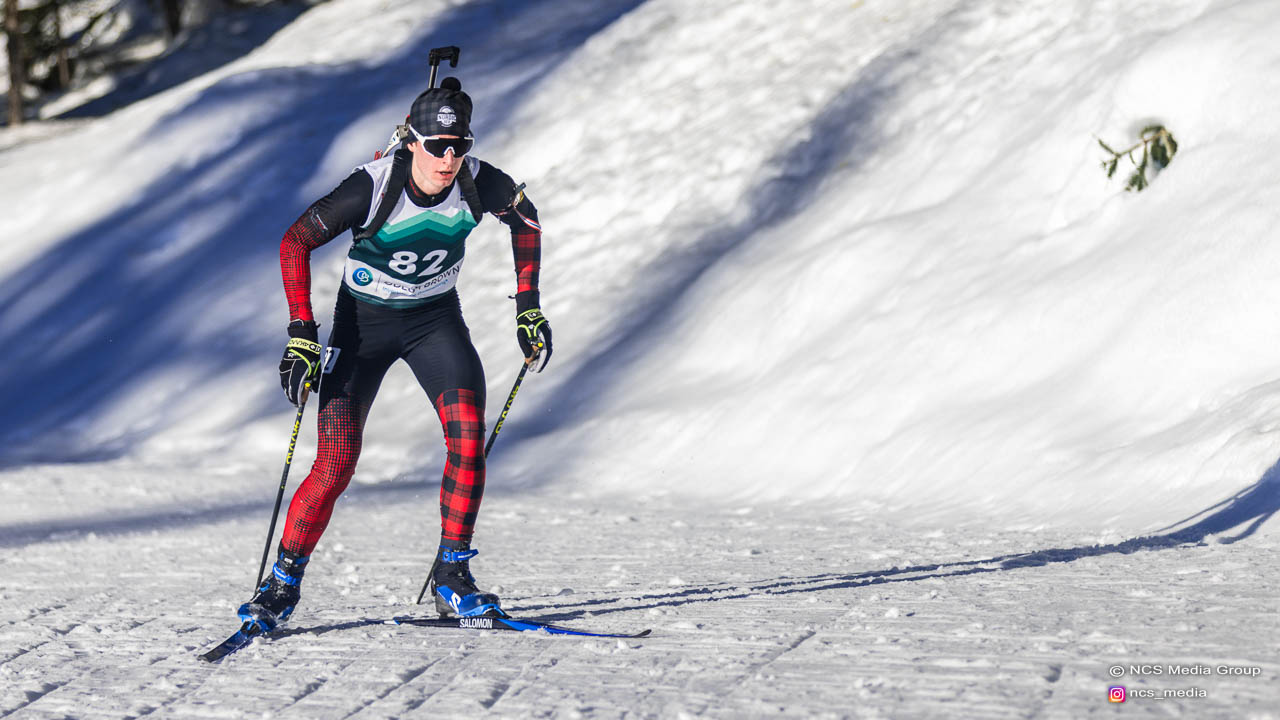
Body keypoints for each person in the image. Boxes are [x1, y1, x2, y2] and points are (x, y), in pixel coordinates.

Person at [236, 76, 551, 631]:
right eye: (437, 145)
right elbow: (294, 242)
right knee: (336, 463)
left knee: (467, 441)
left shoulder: (479, 181)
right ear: (412, 141)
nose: (449, 159)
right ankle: (282, 584)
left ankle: (453, 576)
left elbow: (526, 221)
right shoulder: (373, 186)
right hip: (363, 328)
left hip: (434, 322)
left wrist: (528, 307)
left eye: (460, 145)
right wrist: (302, 333)